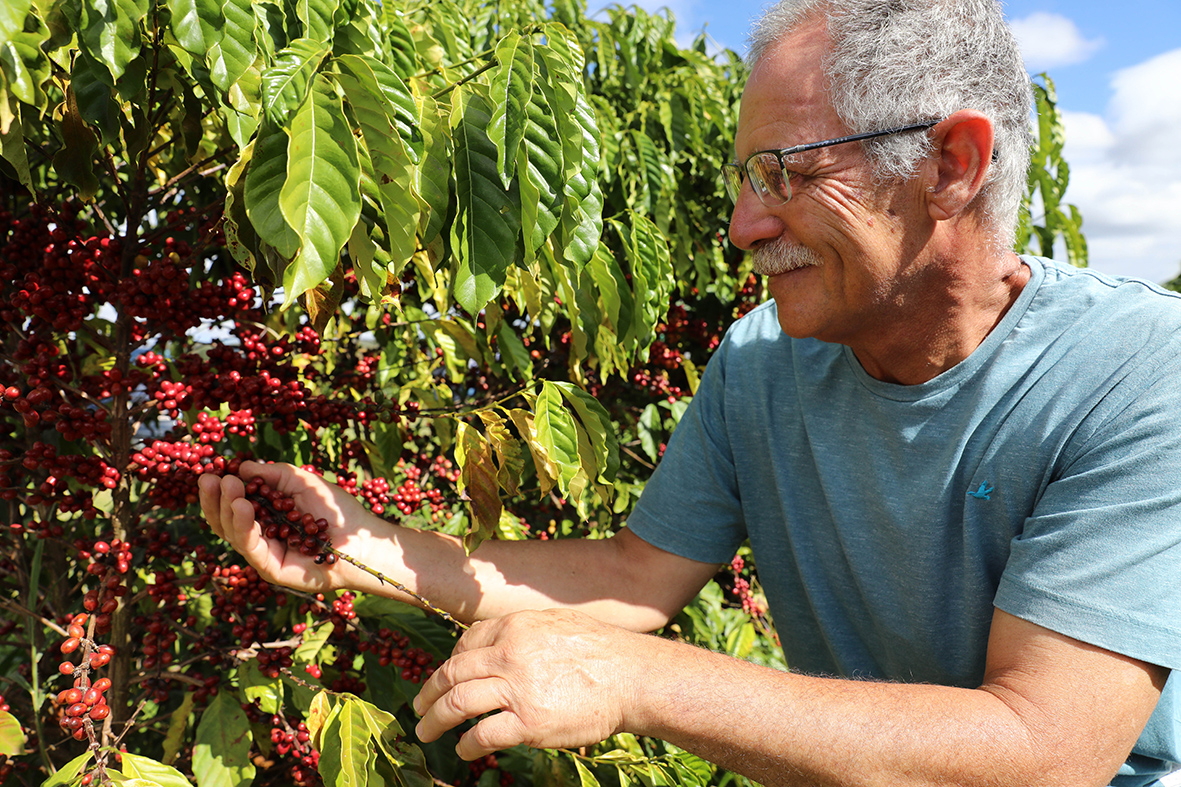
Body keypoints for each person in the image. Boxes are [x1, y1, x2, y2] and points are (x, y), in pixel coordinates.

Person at [199, 0, 1181, 784]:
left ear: (949, 165)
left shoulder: (1137, 369)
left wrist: (641, 680)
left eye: (783, 173)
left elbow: (1043, 752)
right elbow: (633, 579)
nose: (744, 224)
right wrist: (363, 548)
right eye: (743, 177)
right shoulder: (760, 362)